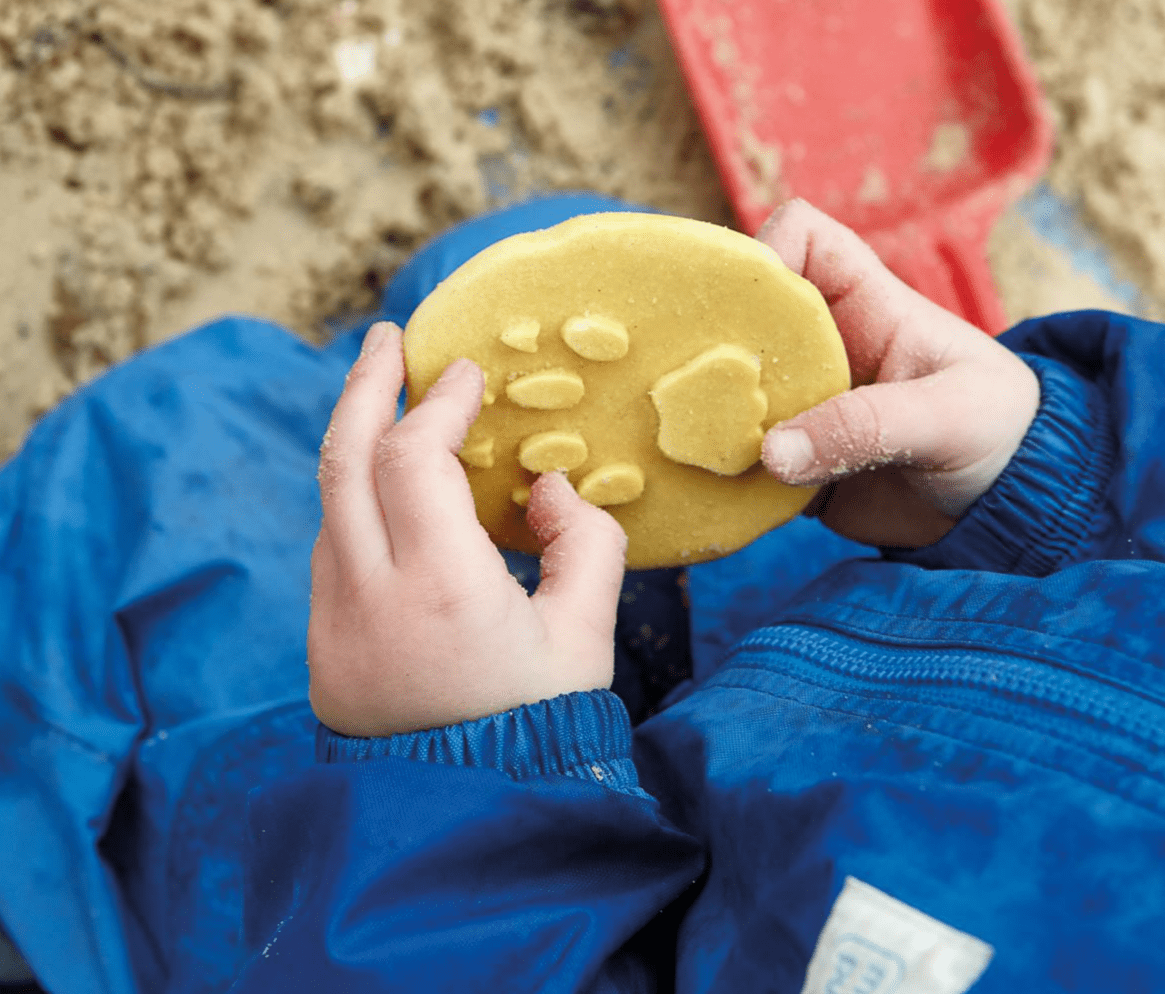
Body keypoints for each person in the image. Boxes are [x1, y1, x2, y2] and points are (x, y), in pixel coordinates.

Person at [1, 195, 1163, 994]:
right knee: (523, 254)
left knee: (139, 476)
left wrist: (451, 779)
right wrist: (1048, 481)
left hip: (487, 912)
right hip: (857, 639)